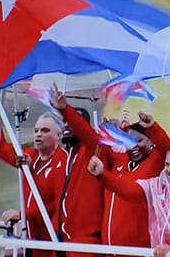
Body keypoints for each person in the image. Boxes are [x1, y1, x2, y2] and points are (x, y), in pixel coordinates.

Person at [88, 147, 170, 257]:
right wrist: (102, 175)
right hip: (160, 254)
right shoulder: (156, 185)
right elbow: (128, 190)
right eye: (167, 164)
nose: (169, 169)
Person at [0, 100, 66, 257]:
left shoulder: (63, 162)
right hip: (30, 237)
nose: (38, 134)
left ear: (58, 135)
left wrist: (22, 214)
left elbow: (55, 205)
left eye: (44, 131)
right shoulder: (30, 156)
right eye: (36, 130)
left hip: (53, 240)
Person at [100, 111, 170, 251]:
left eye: (139, 141)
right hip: (108, 251)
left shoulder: (155, 162)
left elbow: (168, 149)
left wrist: (152, 127)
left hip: (139, 250)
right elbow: (104, 150)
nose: (133, 146)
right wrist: (117, 131)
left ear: (151, 142)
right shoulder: (119, 163)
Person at [49, 86, 105, 256]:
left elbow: (89, 135)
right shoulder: (64, 157)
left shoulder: (93, 151)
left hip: (85, 242)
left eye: (72, 123)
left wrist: (65, 110)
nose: (66, 125)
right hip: (61, 239)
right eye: (64, 123)